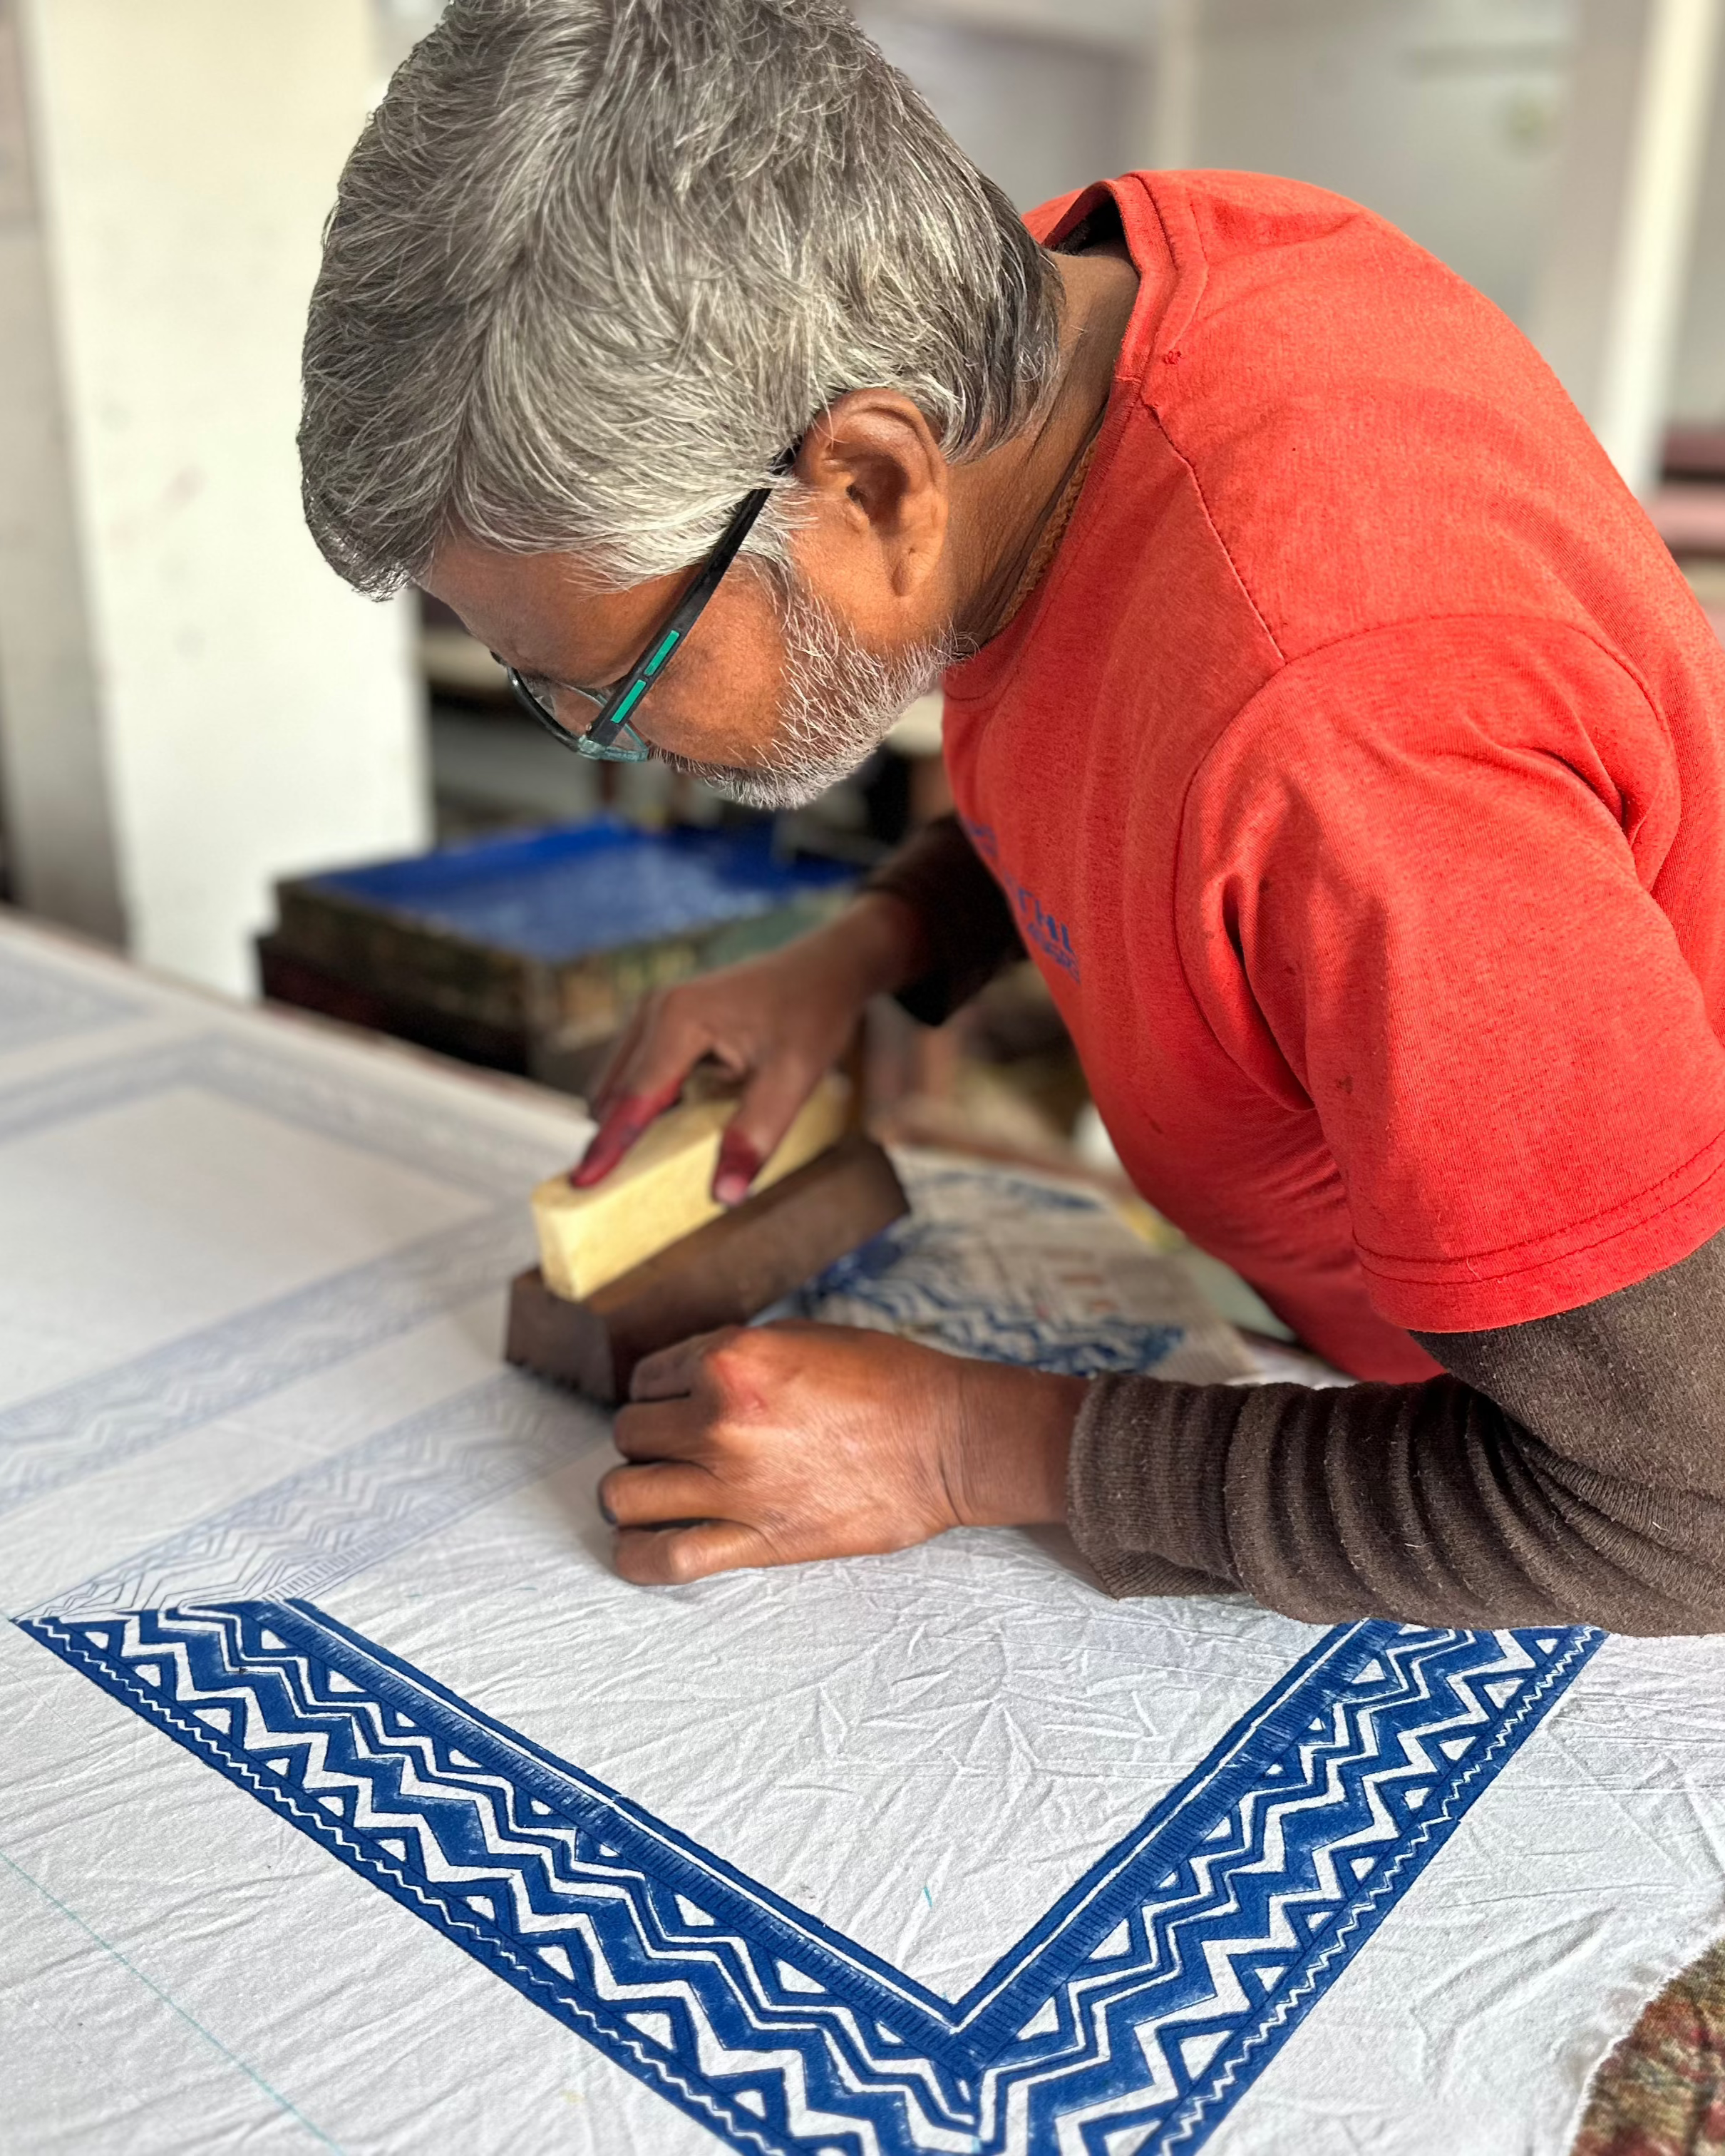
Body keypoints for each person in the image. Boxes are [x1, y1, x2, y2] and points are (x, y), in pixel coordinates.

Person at [300, 0, 1725, 1633]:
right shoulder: (1039, 331)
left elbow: (1680, 1506)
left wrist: (977, 1440)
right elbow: (1111, 729)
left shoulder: (1359, 740)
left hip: (1588, 1427)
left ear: (878, 486)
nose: (593, 742)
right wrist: (862, 950)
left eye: (601, 684)